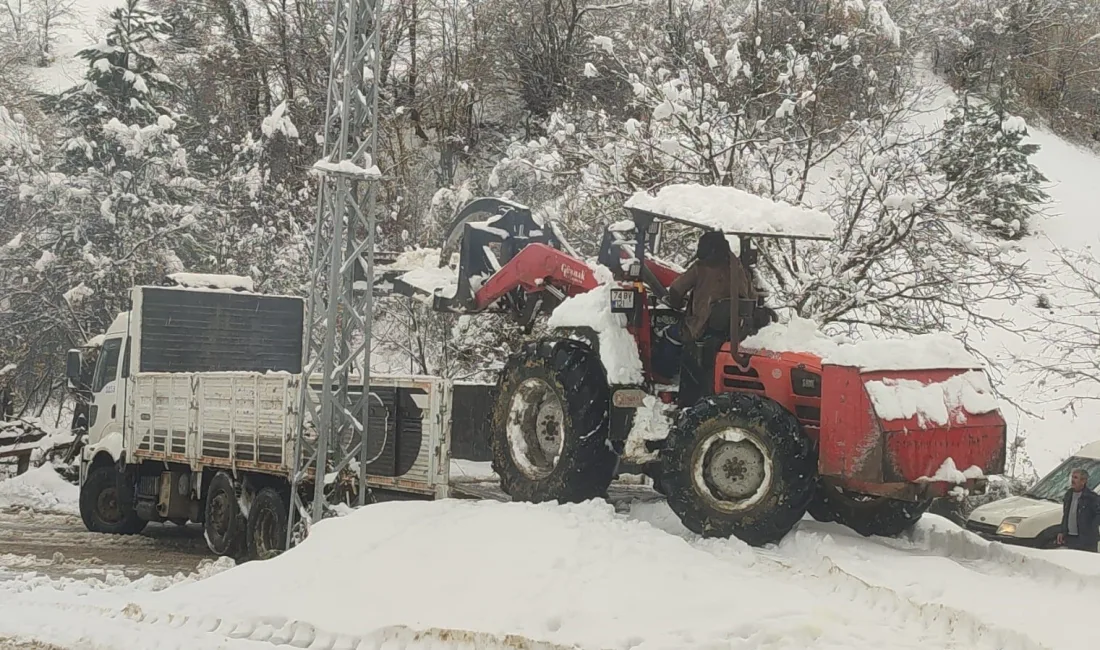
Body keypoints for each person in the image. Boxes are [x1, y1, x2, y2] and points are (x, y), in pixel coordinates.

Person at [667, 231, 756, 406]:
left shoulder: (700, 267)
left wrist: (675, 303)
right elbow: (751, 295)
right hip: (734, 329)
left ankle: (667, 380)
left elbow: (676, 290)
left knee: (669, 334)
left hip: (702, 327)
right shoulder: (738, 267)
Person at [1056, 468, 1100, 552]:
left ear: (1083, 481)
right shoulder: (1068, 494)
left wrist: (1091, 527)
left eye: (1075, 478)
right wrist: (1062, 531)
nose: (1072, 480)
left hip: (1087, 541)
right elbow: (1066, 515)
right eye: (1072, 477)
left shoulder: (1091, 497)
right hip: (1070, 538)